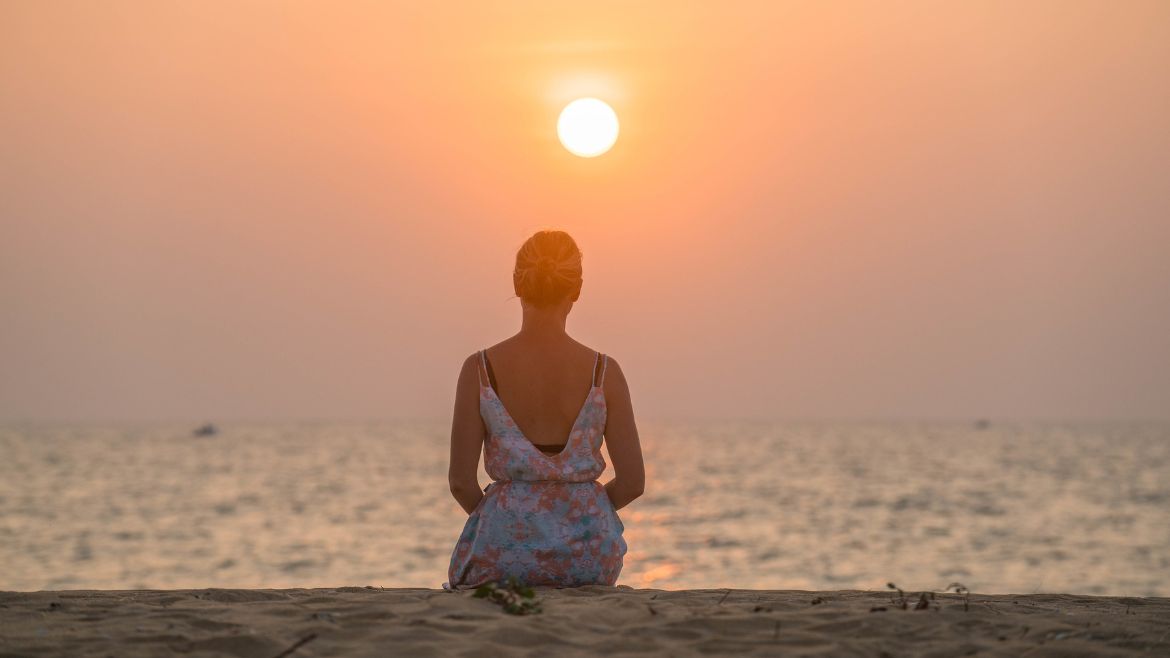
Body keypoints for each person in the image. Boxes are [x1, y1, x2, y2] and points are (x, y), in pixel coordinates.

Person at [444, 230, 645, 589]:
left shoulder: (480, 370)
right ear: (577, 290)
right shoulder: (604, 372)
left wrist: (507, 520)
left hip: (503, 552)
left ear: (517, 284)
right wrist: (583, 513)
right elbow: (632, 483)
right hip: (587, 555)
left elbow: (461, 483)